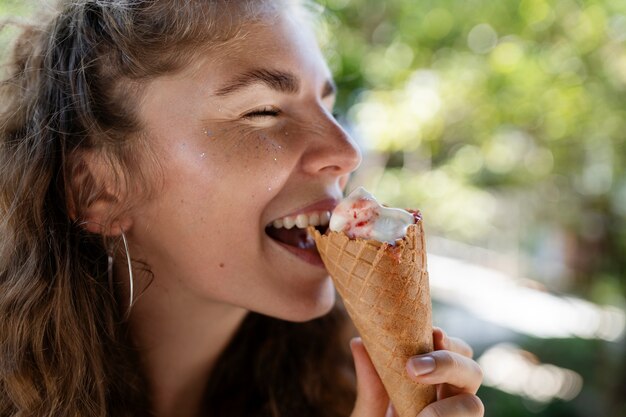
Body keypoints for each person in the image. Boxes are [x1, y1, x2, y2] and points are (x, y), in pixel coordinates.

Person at [0, 1, 484, 416]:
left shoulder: (347, 391)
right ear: (97, 191)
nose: (346, 152)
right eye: (263, 112)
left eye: (328, 108)